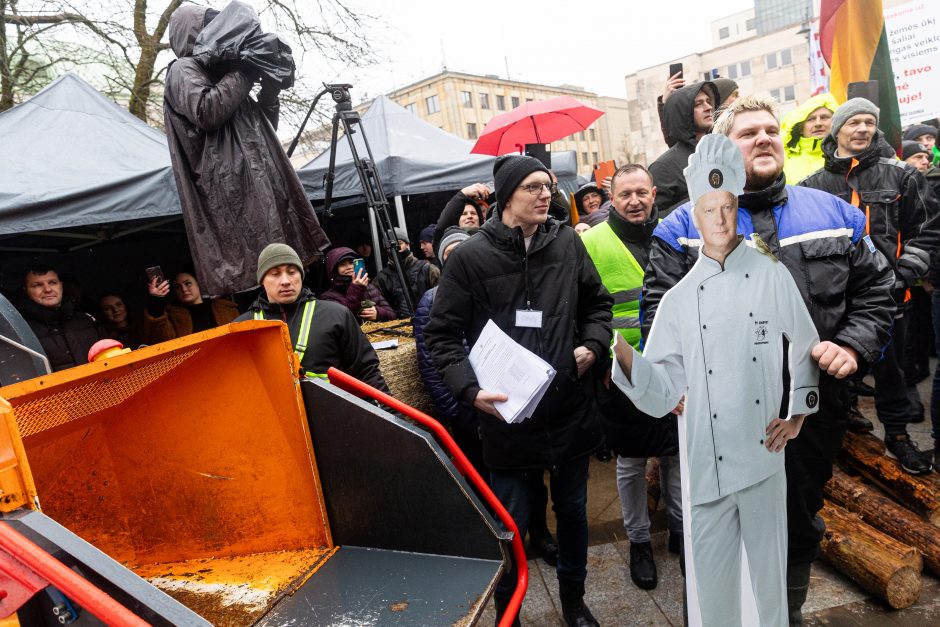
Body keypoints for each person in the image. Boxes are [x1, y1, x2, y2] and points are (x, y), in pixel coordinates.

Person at [643, 95, 896, 625]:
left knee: (798, 519)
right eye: (748, 133)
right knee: (712, 521)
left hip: (808, 409)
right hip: (720, 413)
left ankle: (787, 612)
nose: (764, 139)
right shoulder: (682, 225)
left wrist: (851, 345)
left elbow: (877, 291)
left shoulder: (834, 213)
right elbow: (658, 312)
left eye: (771, 131)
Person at [614, 133, 821, 626]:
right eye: (710, 210)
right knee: (711, 584)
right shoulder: (680, 299)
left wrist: (797, 414)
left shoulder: (771, 274)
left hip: (763, 455)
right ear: (696, 213)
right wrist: (620, 357)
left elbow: (806, 343)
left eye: (728, 207)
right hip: (705, 461)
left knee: (768, 580)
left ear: (737, 207)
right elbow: (663, 389)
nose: (721, 220)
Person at [425, 155, 612, 627]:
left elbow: (598, 304)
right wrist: (469, 391)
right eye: (533, 187)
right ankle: (508, 612)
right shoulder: (469, 257)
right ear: (507, 196)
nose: (545, 194)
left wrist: (592, 344)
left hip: (568, 409)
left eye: (547, 186)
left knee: (572, 512)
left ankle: (574, 600)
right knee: (510, 524)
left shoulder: (567, 242)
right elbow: (441, 335)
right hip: (507, 420)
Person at [801, 98, 940, 475]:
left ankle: (898, 437)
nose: (862, 129)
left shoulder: (902, 176)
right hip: (835, 301)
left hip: (892, 297)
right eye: (854, 122)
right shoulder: (812, 186)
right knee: (838, 371)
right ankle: (844, 429)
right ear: (838, 131)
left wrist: (905, 272)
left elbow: (926, 231)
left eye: (868, 122)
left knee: (894, 374)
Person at [163, 4, 329, 297]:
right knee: (259, 280)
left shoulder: (226, 73)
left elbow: (264, 129)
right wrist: (246, 69)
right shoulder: (182, 69)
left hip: (264, 184)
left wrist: (269, 91)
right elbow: (208, 110)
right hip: (234, 192)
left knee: (287, 270)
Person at [580, 164, 683, 590]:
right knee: (631, 461)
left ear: (653, 192)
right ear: (612, 198)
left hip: (675, 365)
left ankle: (681, 528)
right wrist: (604, 364)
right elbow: (584, 308)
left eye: (642, 192)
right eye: (626, 195)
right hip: (620, 370)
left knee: (677, 453)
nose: (635, 201)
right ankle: (640, 540)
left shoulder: (675, 233)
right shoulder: (592, 241)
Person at [236, 243, 388, 391]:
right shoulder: (241, 328)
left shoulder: (335, 315)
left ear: (301, 276)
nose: (286, 281)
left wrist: (390, 414)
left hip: (332, 414)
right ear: (262, 280)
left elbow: (368, 372)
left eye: (292, 272)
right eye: (275, 274)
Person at [649, 81, 719, 215]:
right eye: (698, 104)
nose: (708, 107)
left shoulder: (721, 152)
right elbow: (655, 217)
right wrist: (697, 200)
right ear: (682, 113)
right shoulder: (663, 167)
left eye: (708, 101)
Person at [17, 265, 102, 372]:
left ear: (61, 286)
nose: (47, 289)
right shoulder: (20, 330)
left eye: (52, 282)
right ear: (26, 291)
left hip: (101, 387)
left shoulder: (86, 321)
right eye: (37, 285)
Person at [143, 271, 239, 344]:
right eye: (177, 287)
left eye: (188, 283)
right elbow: (162, 341)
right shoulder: (173, 316)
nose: (184, 289)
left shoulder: (225, 308)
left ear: (198, 284)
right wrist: (156, 301)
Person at [375, 227, 440, 319]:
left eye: (400, 243)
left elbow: (441, 300)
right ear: (386, 249)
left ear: (407, 244)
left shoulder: (429, 270)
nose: (396, 248)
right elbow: (381, 308)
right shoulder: (381, 278)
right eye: (390, 246)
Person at [319, 247, 396, 323]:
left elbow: (392, 314)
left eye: (351, 263)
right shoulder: (328, 297)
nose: (349, 267)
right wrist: (356, 288)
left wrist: (378, 313)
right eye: (342, 264)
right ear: (334, 270)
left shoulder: (370, 287)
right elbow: (344, 320)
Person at [780, 93, 839, 183]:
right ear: (801, 129)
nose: (818, 123)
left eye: (824, 117)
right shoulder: (783, 159)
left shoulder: (845, 154)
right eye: (811, 119)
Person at [432, 184, 489, 253]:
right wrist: (462, 194)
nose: (469, 216)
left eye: (473, 213)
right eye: (464, 214)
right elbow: (441, 227)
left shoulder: (490, 239)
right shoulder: (449, 242)